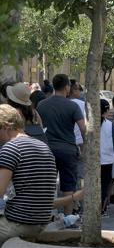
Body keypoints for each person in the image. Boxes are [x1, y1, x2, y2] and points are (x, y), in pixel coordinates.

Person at [0, 105, 57, 246]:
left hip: (17, 225)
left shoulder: (10, 148)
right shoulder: (44, 147)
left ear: (6, 126)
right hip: (41, 223)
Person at [37, 74, 86, 215]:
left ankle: (46, 216)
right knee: (68, 186)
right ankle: (68, 219)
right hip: (68, 150)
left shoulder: (42, 105)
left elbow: (38, 126)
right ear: (67, 87)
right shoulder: (73, 106)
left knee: (47, 185)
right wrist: (85, 147)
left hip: (46, 150)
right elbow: (83, 129)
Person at [100, 99, 114, 217]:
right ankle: (102, 209)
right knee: (104, 185)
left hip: (94, 161)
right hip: (108, 160)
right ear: (107, 111)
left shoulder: (90, 125)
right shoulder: (112, 126)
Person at [69, 81, 86, 188]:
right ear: (73, 90)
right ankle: (79, 201)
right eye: (79, 88)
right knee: (80, 175)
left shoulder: (63, 103)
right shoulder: (83, 105)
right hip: (80, 143)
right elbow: (84, 127)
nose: (80, 91)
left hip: (67, 143)